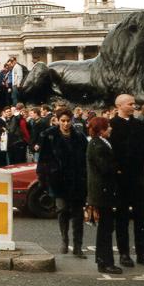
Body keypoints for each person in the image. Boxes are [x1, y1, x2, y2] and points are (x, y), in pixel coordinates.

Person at [109, 94, 144, 268]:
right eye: (131, 104)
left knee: (141, 216)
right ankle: (124, 253)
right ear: (119, 106)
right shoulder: (111, 126)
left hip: (137, 175)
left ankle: (141, 252)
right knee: (122, 216)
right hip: (119, 177)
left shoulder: (140, 125)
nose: (134, 106)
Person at [37, 109, 89, 257]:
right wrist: (43, 179)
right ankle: (64, 240)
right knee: (62, 210)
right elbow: (43, 159)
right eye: (63, 121)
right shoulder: (50, 136)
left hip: (77, 179)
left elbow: (85, 158)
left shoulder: (79, 137)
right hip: (58, 179)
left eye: (68, 121)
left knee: (78, 214)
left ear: (72, 120)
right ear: (57, 120)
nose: (66, 124)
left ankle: (78, 246)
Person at [85, 116, 122, 274]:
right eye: (108, 126)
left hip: (102, 191)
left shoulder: (100, 142)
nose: (111, 128)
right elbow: (105, 168)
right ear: (101, 129)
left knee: (105, 228)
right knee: (106, 229)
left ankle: (103, 260)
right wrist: (118, 168)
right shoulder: (98, 145)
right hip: (103, 191)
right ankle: (106, 262)